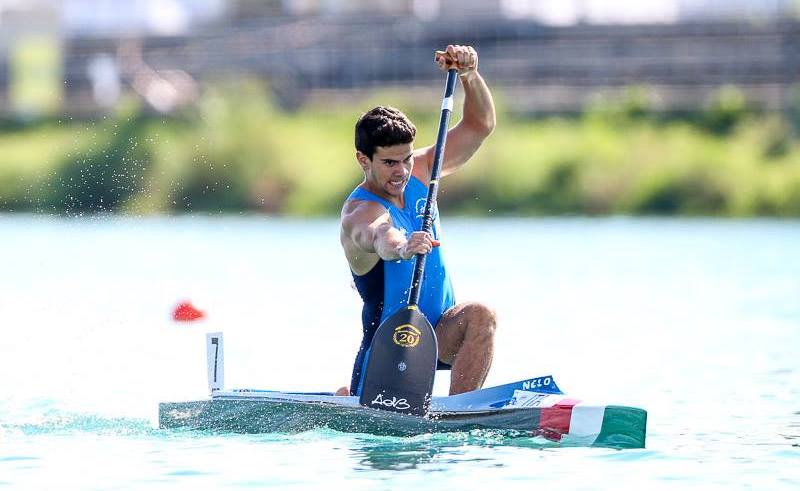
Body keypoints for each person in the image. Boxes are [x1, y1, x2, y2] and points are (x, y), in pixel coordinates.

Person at [338, 45, 496, 397]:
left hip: (438, 331)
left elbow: (479, 125)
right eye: (390, 163)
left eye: (406, 159)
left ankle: (460, 410)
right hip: (389, 346)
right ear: (363, 159)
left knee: (480, 316)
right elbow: (381, 235)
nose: (402, 171)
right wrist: (403, 246)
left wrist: (470, 75)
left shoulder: (424, 170)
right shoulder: (359, 212)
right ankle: (350, 394)